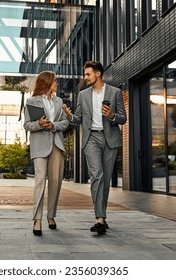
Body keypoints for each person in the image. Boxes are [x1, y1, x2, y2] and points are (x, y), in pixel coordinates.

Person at [62, 61, 126, 234]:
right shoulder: (83, 95)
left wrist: (112, 115)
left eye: (88, 74)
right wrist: (69, 116)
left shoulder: (115, 92)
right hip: (91, 138)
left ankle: (102, 217)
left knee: (105, 179)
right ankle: (100, 218)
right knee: (96, 175)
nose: (85, 77)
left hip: (110, 139)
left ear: (98, 74)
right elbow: (78, 119)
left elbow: (123, 118)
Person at [23, 71, 69, 236]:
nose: (57, 83)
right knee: (40, 180)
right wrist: (39, 124)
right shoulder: (31, 101)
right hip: (40, 145)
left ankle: (51, 215)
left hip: (56, 143)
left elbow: (65, 122)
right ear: (47, 82)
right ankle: (37, 219)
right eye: (55, 81)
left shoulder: (59, 101)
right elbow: (27, 125)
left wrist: (53, 125)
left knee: (56, 182)